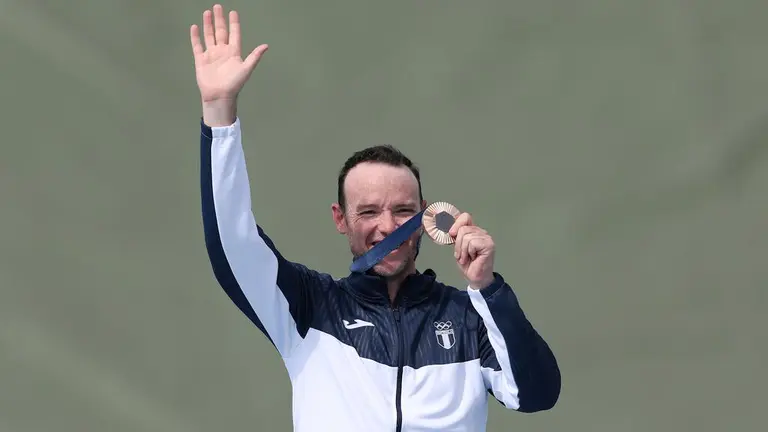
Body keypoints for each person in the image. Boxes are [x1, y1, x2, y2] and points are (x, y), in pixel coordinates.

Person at [191, 4, 561, 431]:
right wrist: (219, 112)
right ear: (340, 219)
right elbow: (232, 242)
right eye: (368, 211)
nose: (388, 226)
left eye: (403, 211)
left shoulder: (469, 316)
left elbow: (535, 395)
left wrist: (487, 288)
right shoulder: (308, 307)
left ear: (425, 218)